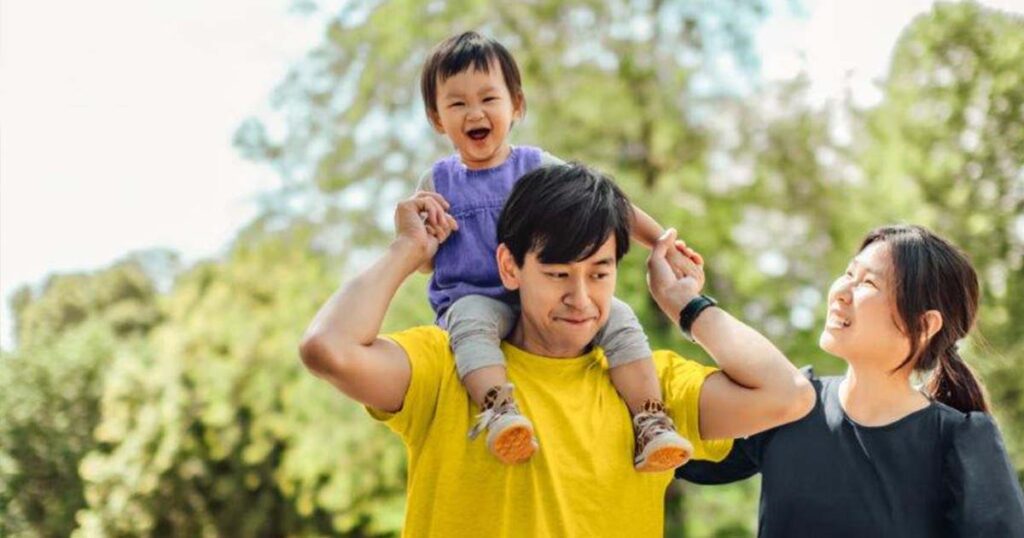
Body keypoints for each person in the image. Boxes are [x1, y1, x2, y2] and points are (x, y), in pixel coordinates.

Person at [299, 163, 814, 537]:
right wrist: (408, 251)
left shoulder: (651, 391)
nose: (581, 298)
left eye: (600, 273)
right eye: (558, 274)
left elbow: (787, 393)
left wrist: (685, 304)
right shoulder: (446, 364)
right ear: (510, 267)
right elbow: (328, 348)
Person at [414, 31, 697, 470]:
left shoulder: (536, 166)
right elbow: (425, 260)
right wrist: (420, 229)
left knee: (619, 316)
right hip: (474, 299)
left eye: (489, 98)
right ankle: (499, 412)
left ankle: (650, 419)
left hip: (545, 296)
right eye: (457, 104)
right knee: (468, 322)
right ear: (437, 118)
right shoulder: (437, 184)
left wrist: (662, 241)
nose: (475, 113)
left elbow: (607, 205)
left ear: (517, 106)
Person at [678, 224, 1024, 537]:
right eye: (848, 273)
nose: (842, 291)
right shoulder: (790, 406)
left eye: (868, 283)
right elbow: (672, 455)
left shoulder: (958, 440)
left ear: (924, 326)